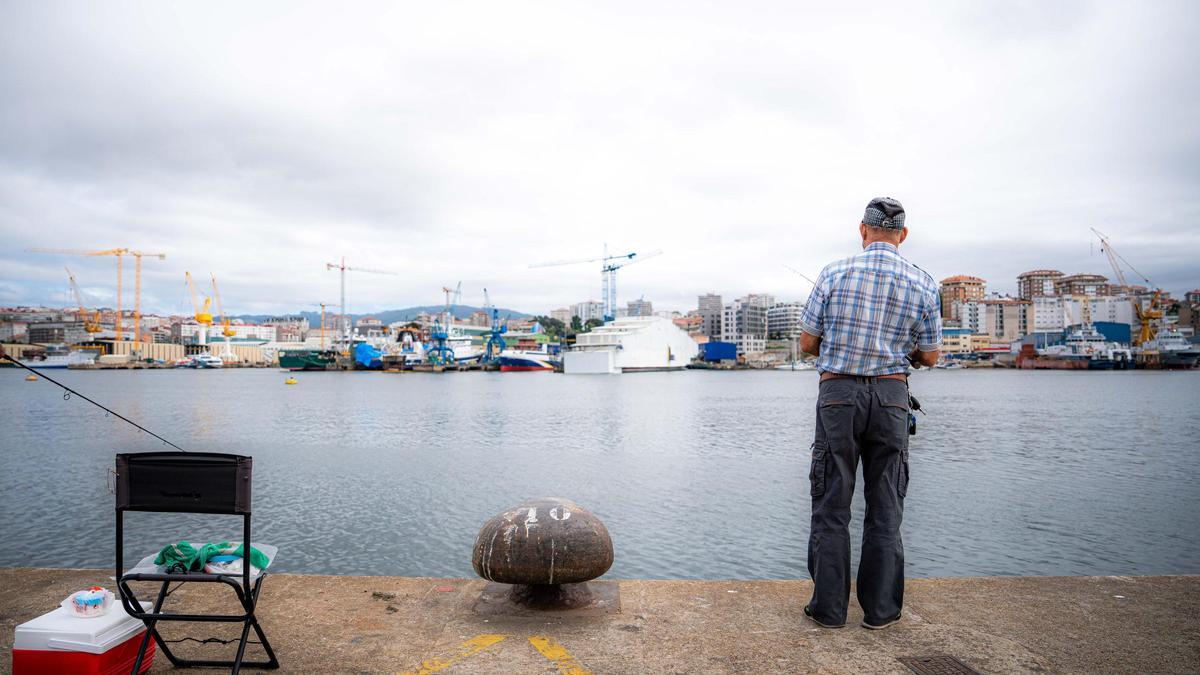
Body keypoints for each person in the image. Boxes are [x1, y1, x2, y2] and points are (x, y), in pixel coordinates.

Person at [797, 196, 941, 630]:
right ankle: (879, 612)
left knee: (831, 503)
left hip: (838, 395)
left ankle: (829, 610)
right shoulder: (923, 282)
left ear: (863, 230)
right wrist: (903, 351)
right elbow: (931, 356)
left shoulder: (834, 273)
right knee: (885, 507)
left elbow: (807, 344)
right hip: (892, 398)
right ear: (903, 235)